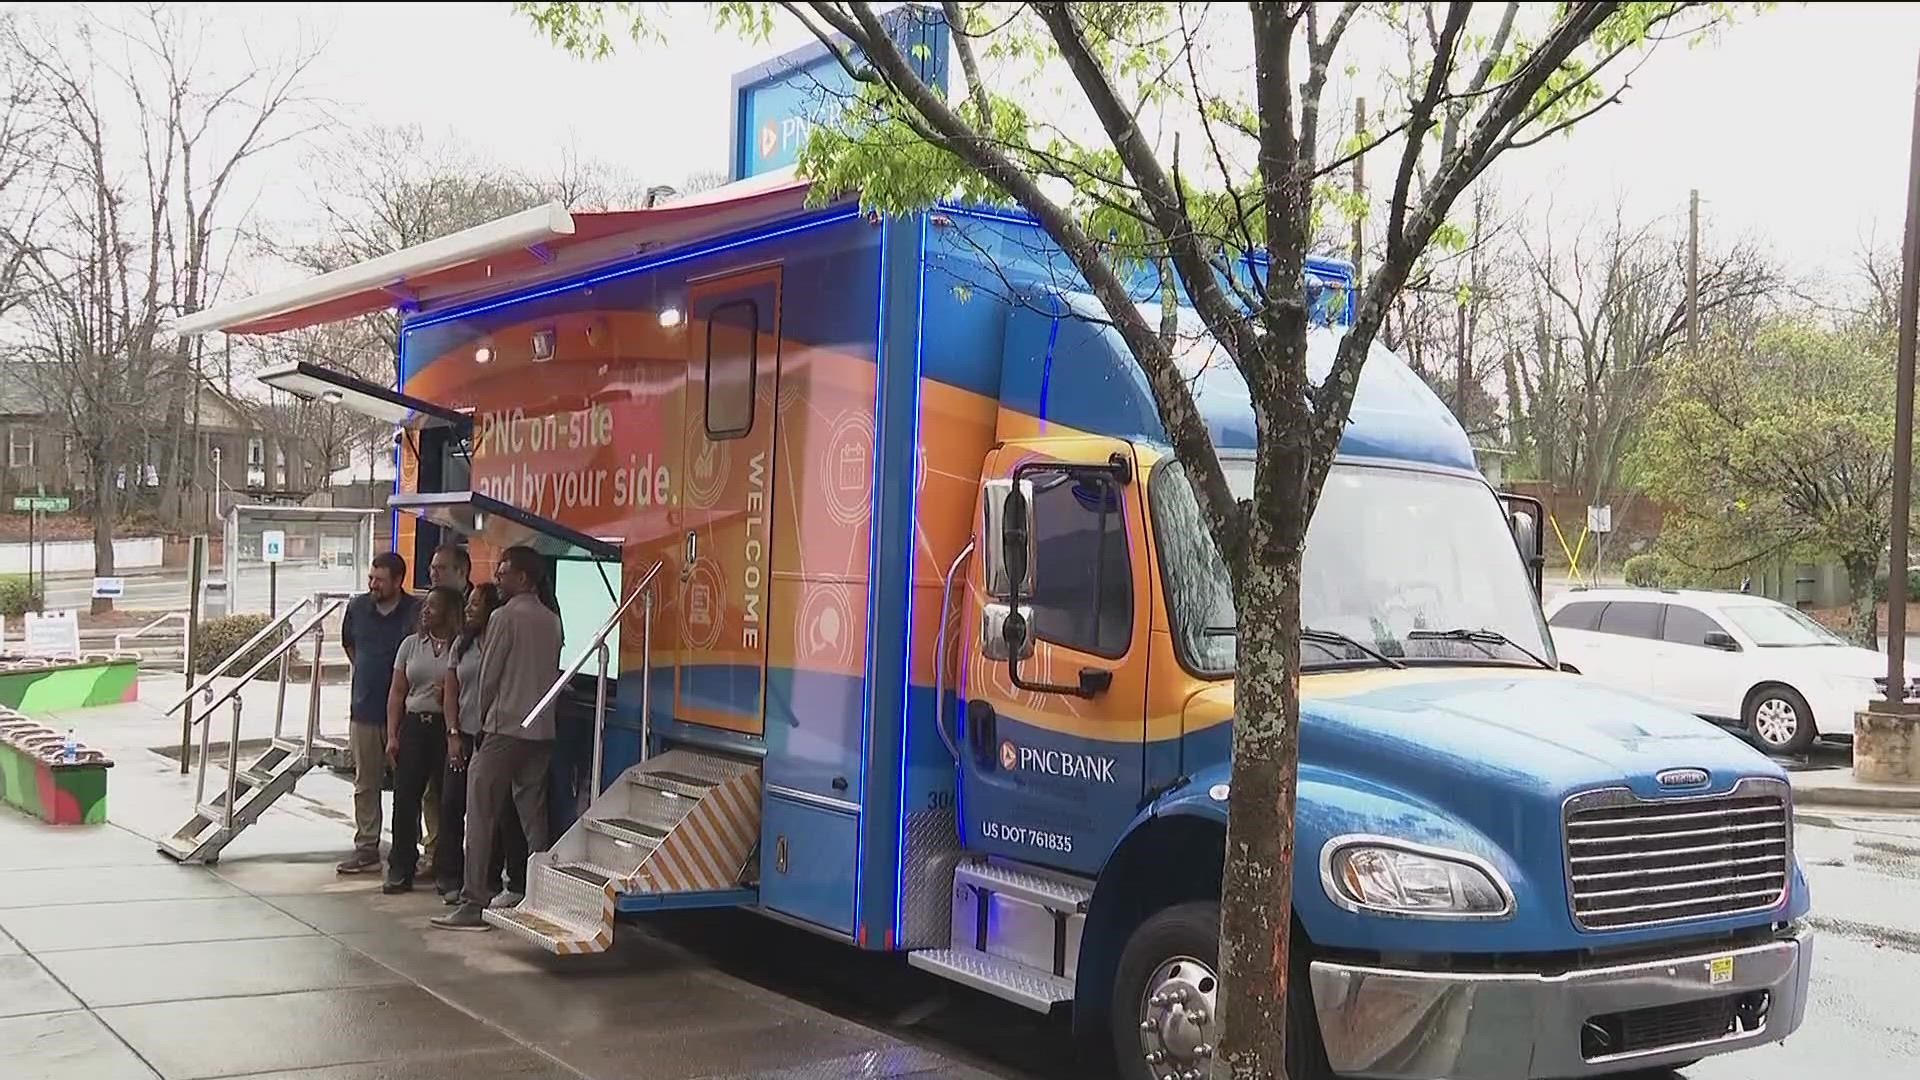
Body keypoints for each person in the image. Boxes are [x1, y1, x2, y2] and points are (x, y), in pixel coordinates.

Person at [433, 546, 564, 930]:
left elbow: (490, 675)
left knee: (480, 813)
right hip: (541, 730)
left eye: (505, 573)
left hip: (503, 728)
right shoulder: (552, 619)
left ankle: (473, 901)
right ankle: (538, 890)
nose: (498, 579)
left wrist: (479, 723)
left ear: (524, 578)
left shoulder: (505, 617)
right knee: (532, 814)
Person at [436, 583, 529, 906]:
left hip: (494, 737)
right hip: (462, 735)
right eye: (468, 603)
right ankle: (451, 877)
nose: (469, 609)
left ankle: (492, 882)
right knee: (452, 806)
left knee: (500, 814)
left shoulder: (504, 641)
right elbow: (450, 691)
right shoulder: (461, 645)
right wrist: (452, 733)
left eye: (476, 603)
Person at [336, 552, 421, 875]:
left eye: (380, 580)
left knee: (411, 785)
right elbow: (350, 646)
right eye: (371, 578)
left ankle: (414, 848)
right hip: (365, 708)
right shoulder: (357, 607)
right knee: (366, 782)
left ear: (398, 581)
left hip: (406, 711)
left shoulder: (414, 611)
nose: (373, 584)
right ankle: (366, 846)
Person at [382, 585, 462, 893]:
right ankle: (401, 868)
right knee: (405, 798)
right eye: (425, 606)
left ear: (449, 612)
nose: (425, 611)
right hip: (415, 725)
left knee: (448, 802)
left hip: (447, 728)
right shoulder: (410, 645)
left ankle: (448, 871)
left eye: (433, 606)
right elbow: (397, 692)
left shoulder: (460, 646)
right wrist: (392, 734)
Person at [419, 543, 471, 865]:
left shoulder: (481, 607)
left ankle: (461, 859)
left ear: (461, 572)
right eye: (432, 568)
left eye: (440, 569)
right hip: (430, 716)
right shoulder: (427, 609)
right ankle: (435, 852)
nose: (432, 574)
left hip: (467, 720)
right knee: (432, 793)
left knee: (458, 796)